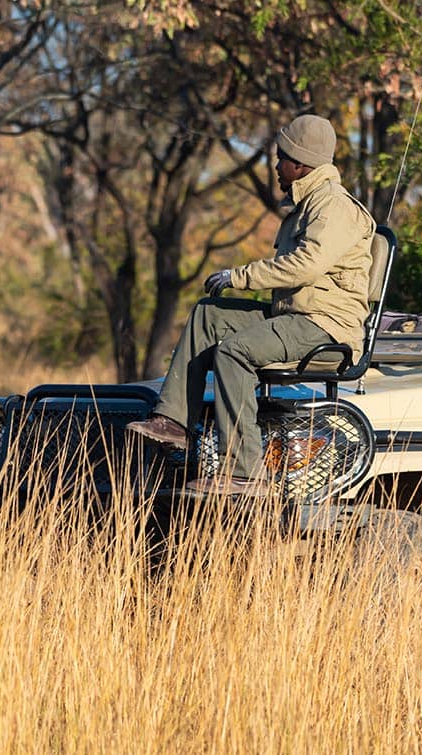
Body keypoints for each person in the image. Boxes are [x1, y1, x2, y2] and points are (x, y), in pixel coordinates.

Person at [127, 114, 375, 496]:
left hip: (326, 326)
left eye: (280, 158)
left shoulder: (334, 207)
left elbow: (306, 266)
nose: (275, 166)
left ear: (300, 163)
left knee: (234, 353)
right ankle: (174, 423)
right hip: (295, 316)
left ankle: (243, 472)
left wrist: (238, 277)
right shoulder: (307, 204)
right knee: (208, 315)